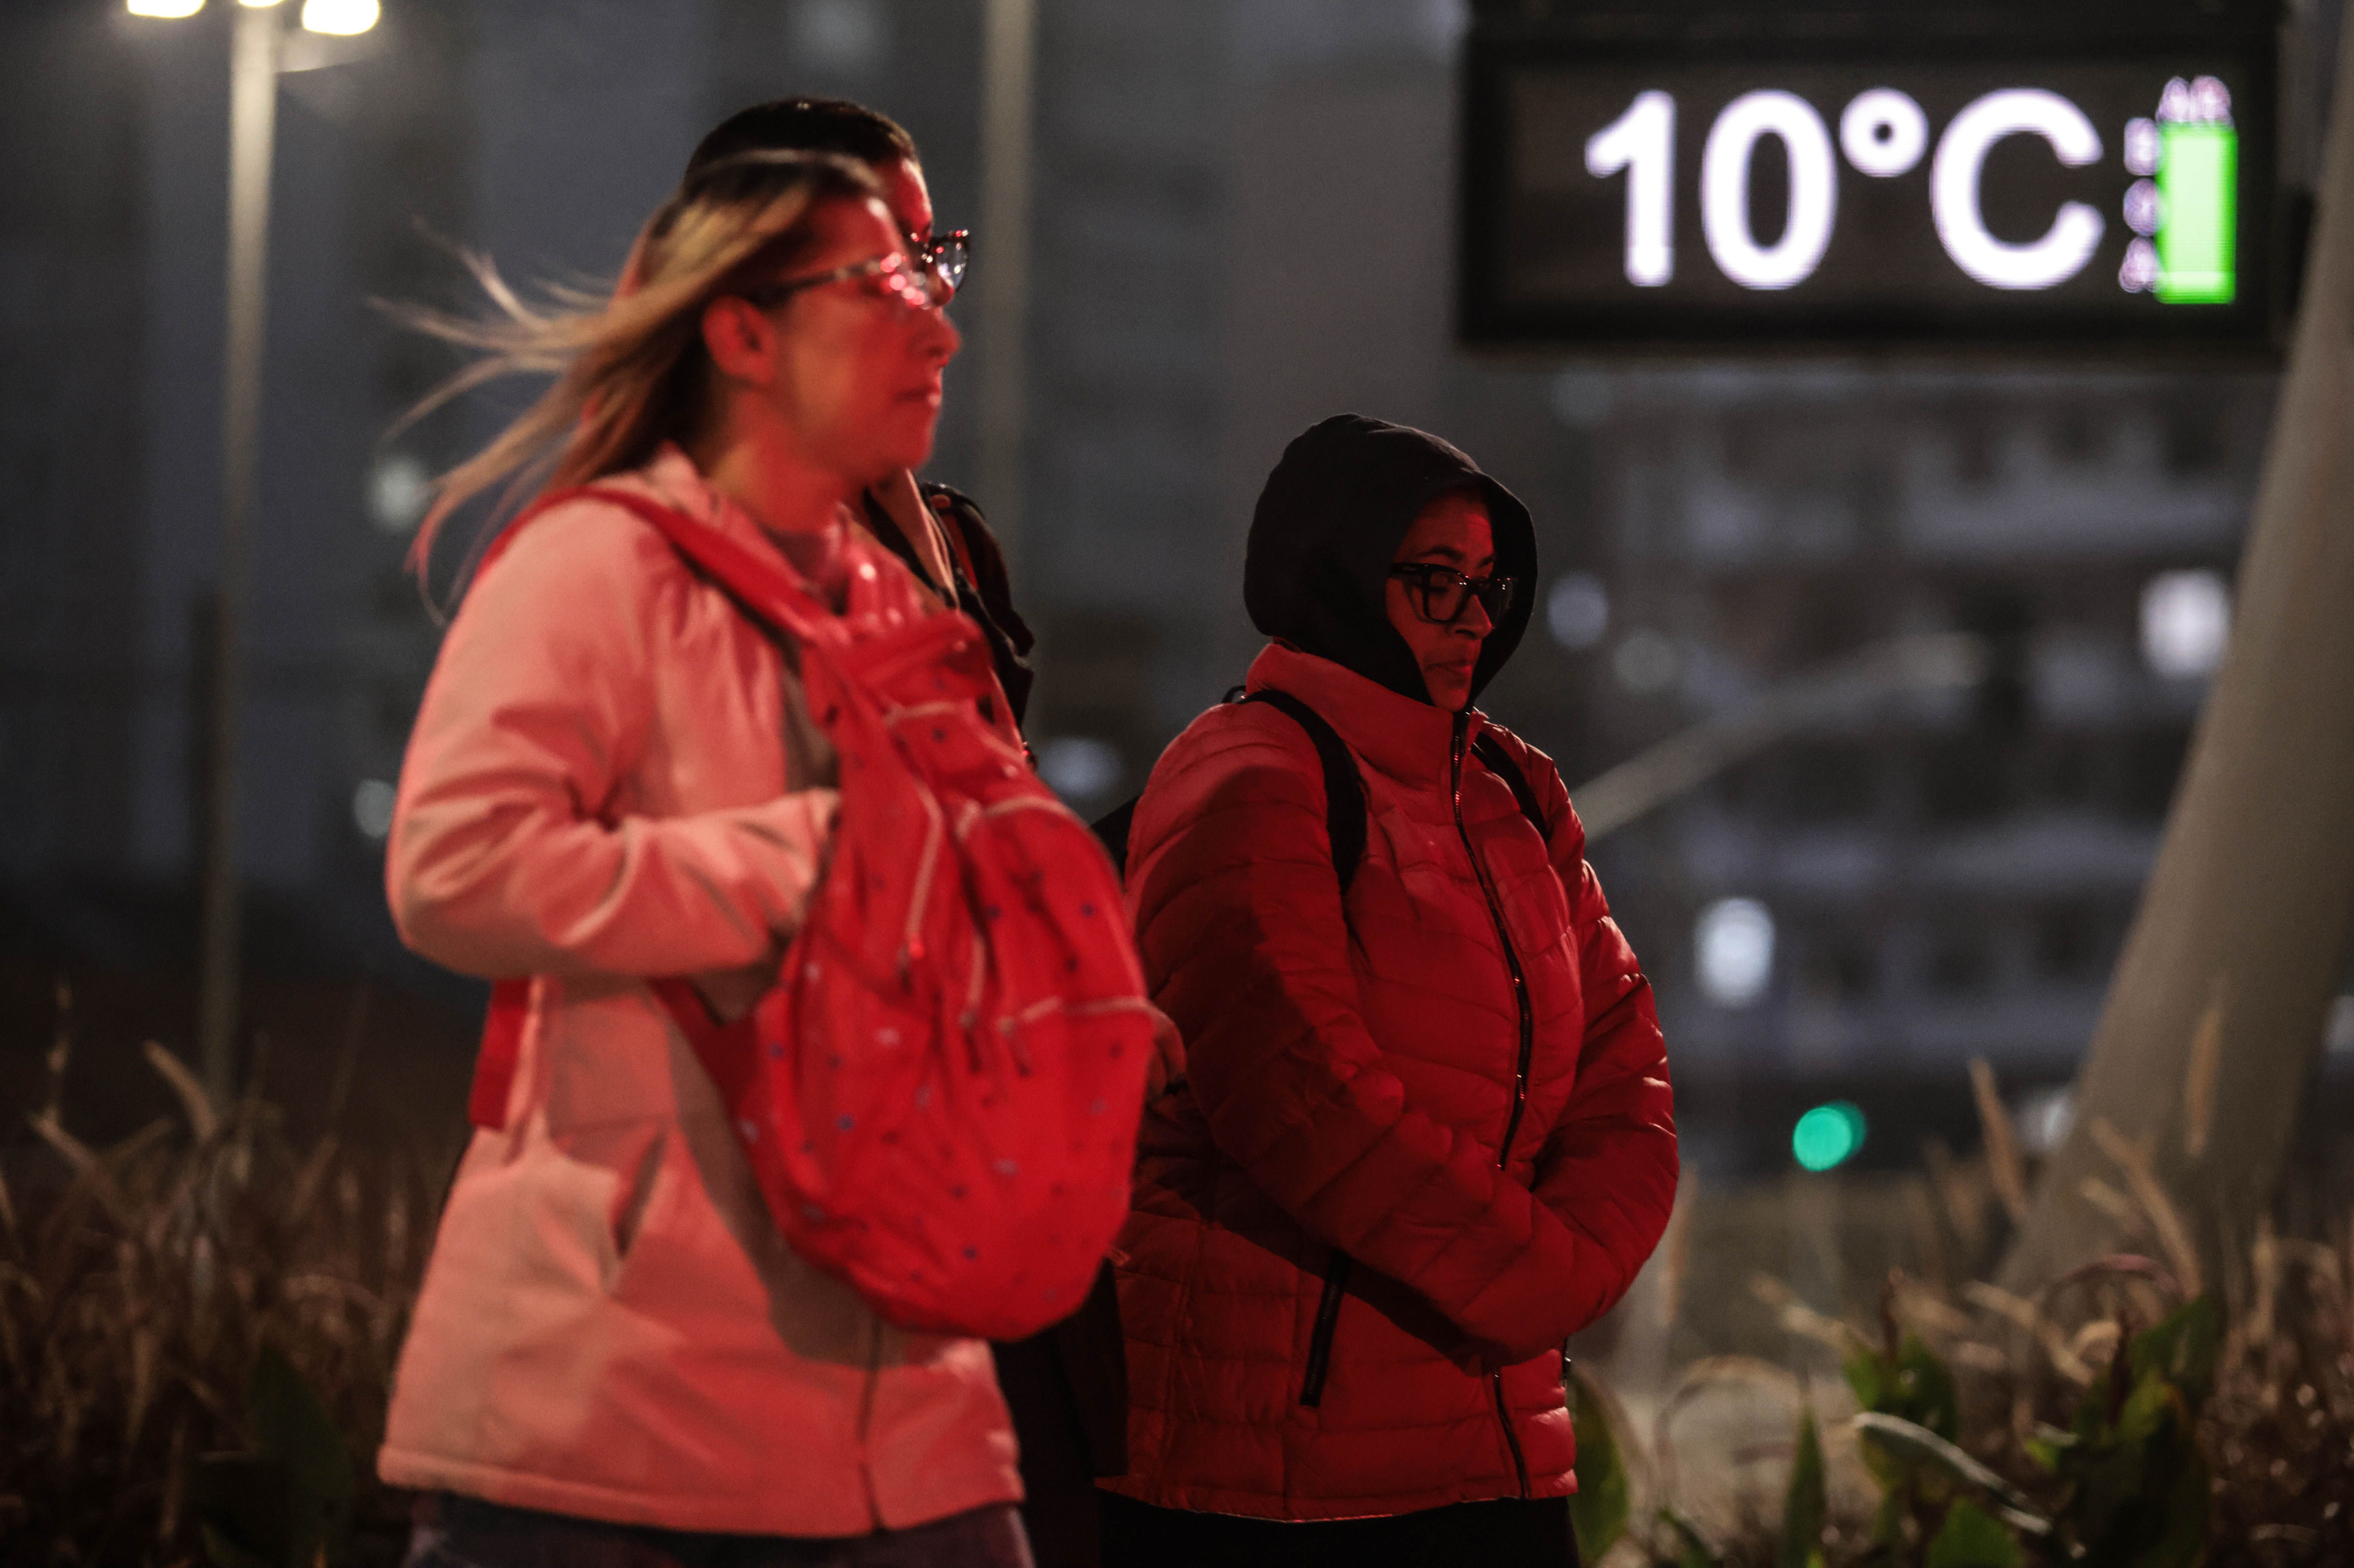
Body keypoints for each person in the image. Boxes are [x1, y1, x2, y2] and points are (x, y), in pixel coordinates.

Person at [377, 150, 1032, 1566]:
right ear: (742, 335)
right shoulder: (598, 562)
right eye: (877, 289)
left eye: (929, 282)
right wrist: (803, 861)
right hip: (618, 1396)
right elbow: (452, 866)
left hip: (913, 1381)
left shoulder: (901, 608)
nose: (935, 328)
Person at [1100, 415, 1679, 1565]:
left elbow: (1626, 1071)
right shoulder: (1250, 772)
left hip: (1497, 1449)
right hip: (1269, 1476)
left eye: (1488, 585)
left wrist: (1564, 1273)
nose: (1474, 620)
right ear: (1336, 573)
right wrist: (1536, 1279)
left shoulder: (1513, 789)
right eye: (1434, 582)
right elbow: (1306, 1099)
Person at [669, 98, 1035, 730]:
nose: (937, 303)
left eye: (927, 253)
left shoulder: (954, 540)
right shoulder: (664, 564)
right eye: (887, 262)